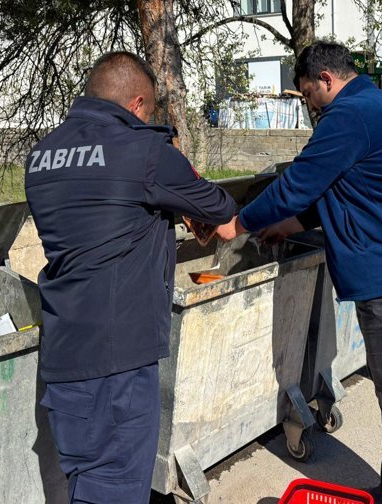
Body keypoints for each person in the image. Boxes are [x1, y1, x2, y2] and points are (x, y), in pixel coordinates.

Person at [216, 41, 382, 504]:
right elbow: (351, 189)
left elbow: (300, 181)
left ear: (325, 80)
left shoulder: (349, 115)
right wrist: (289, 225)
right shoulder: (376, 106)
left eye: (309, 95)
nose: (310, 107)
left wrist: (239, 221)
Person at [25, 52, 236, 503]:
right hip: (118, 364)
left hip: (65, 356)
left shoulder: (41, 157)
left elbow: (102, 215)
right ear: (138, 104)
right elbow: (219, 208)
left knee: (85, 481)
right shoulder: (144, 151)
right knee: (116, 489)